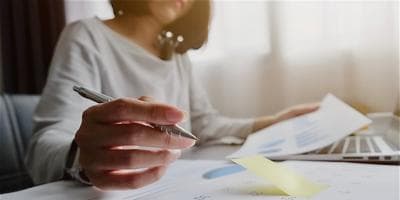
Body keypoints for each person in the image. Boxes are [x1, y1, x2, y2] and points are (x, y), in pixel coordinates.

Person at [25, 0, 318, 190]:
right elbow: (43, 145)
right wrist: (82, 157)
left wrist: (274, 120)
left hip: (179, 184)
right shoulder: (86, 36)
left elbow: (204, 125)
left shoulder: (177, 56)